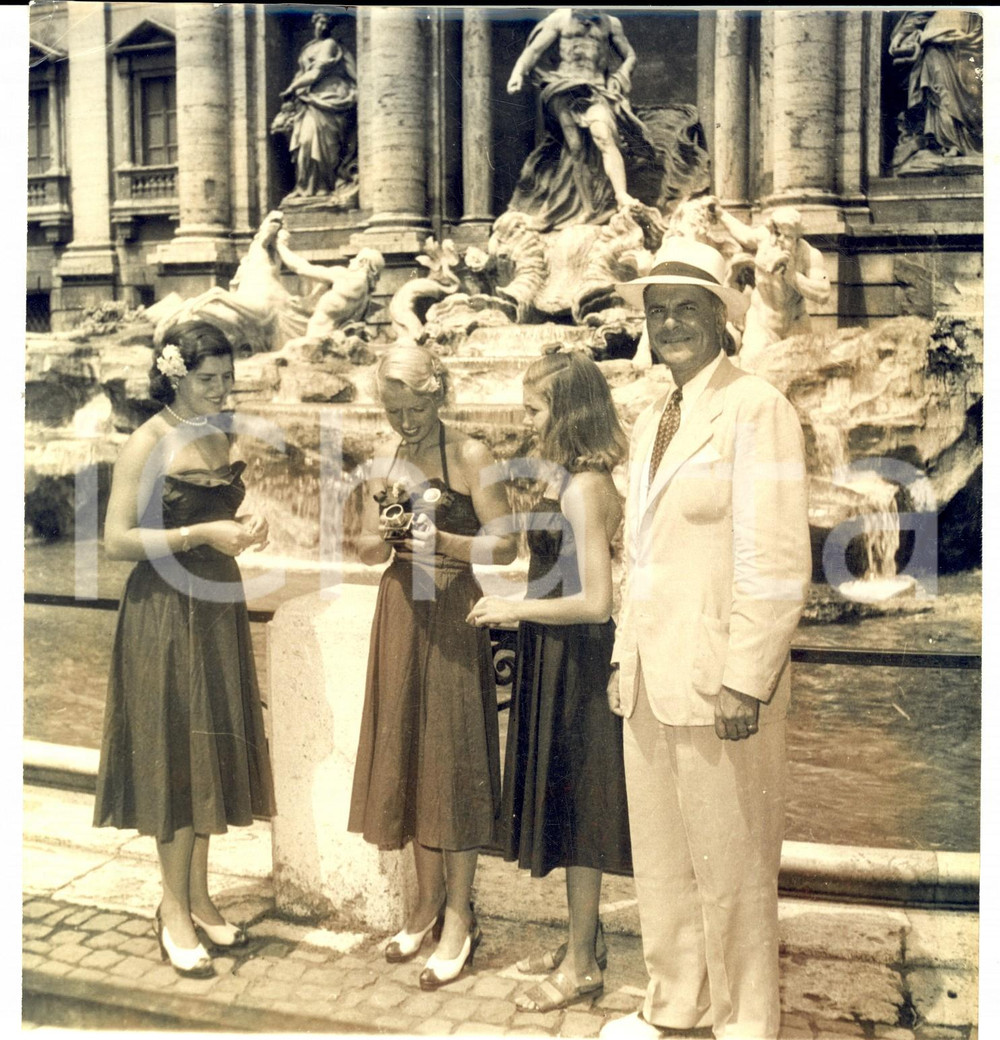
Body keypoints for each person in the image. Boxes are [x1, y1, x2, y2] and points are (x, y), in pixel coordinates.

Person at [600, 238, 811, 1040]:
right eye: (659, 312)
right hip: (652, 676)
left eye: (688, 308)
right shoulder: (655, 415)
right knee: (662, 862)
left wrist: (744, 678)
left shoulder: (757, 407)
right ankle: (675, 1007)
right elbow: (641, 556)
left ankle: (746, 1023)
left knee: (735, 871)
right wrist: (625, 657)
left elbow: (777, 558)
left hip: (720, 681)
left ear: (721, 318)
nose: (671, 323)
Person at [93, 321, 275, 979]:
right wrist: (201, 530)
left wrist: (247, 528)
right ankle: (172, 909)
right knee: (176, 753)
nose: (222, 391)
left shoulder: (217, 434)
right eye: (208, 380)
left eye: (228, 379)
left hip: (216, 605)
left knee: (207, 751)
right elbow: (115, 541)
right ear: (175, 375)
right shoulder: (147, 443)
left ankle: (199, 897)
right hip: (165, 610)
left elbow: (221, 519)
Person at [347, 345, 518, 990]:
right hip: (399, 609)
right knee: (412, 758)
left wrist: (439, 538)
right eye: (394, 411)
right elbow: (364, 550)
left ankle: (458, 915)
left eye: (414, 409)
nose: (405, 423)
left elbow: (507, 543)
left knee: (453, 761)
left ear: (437, 394)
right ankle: (422, 903)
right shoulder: (384, 459)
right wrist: (385, 536)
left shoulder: (471, 455)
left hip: (452, 608)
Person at [468, 350, 632, 1013]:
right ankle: (579, 943)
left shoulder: (586, 488)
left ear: (568, 412)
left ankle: (584, 966)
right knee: (567, 811)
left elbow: (597, 601)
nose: (528, 422)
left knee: (580, 816)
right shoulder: (565, 479)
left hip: (581, 659)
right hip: (554, 652)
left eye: (536, 409)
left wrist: (514, 607)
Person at [506, 8, 661, 231]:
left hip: (595, 89)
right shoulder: (560, 18)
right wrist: (518, 72)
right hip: (564, 88)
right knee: (576, 149)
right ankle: (587, 207)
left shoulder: (611, 24)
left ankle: (621, 195)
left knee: (604, 136)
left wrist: (621, 75)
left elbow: (630, 56)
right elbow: (534, 50)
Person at [710, 202, 831, 363]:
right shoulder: (764, 238)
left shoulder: (809, 255)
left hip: (795, 325)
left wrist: (793, 277)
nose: (777, 240)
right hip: (762, 323)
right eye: (775, 233)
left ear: (796, 237)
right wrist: (720, 214)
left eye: (786, 236)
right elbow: (744, 235)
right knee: (751, 366)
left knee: (804, 374)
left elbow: (824, 293)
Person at [272, 11, 358, 198]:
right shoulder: (307, 48)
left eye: (327, 23)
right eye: (321, 22)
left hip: (330, 97)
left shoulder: (330, 44)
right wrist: (295, 94)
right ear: (314, 23)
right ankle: (305, 188)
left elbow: (316, 73)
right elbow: (302, 72)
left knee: (324, 145)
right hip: (308, 101)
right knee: (305, 142)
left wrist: (292, 88)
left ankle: (324, 188)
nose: (324, 26)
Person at [888, 10, 983, 171]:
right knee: (940, 93)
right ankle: (947, 144)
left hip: (968, 41)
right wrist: (901, 35)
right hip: (936, 41)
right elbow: (921, 12)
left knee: (971, 95)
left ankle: (964, 145)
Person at [275, 237, 384, 347]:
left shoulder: (345, 276)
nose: (351, 261)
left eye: (355, 258)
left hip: (318, 344)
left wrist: (280, 246)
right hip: (335, 345)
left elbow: (301, 268)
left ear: (363, 262)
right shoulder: (366, 296)